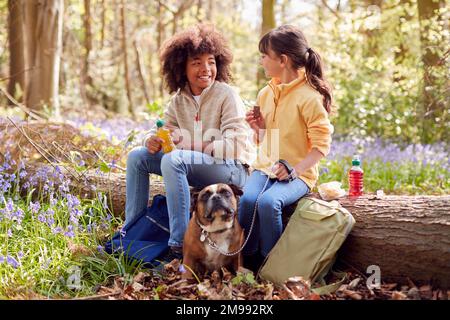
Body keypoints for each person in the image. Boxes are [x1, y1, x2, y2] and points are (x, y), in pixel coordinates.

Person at [125, 24, 255, 261]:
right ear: (181, 67)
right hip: (194, 167)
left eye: (211, 62)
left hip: (232, 170)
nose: (206, 69)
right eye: (197, 62)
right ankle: (131, 232)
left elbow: (234, 146)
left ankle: (178, 244)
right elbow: (161, 130)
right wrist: (151, 141)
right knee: (137, 157)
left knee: (175, 160)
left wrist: (189, 143)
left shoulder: (226, 95)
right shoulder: (178, 100)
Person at [239, 25, 334, 270]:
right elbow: (266, 141)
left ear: (282, 60)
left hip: (299, 175)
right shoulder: (265, 93)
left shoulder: (310, 97)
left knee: (269, 203)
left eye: (264, 56)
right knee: (248, 200)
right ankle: (248, 261)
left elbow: (322, 146)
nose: (261, 62)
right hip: (265, 168)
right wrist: (258, 128)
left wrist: (294, 170)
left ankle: (273, 264)